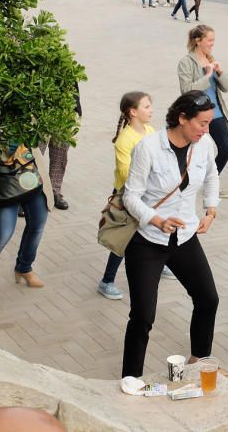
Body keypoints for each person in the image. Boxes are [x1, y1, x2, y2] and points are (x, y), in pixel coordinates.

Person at [120, 91, 221, 380]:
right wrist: (156, 219)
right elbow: (131, 197)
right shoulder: (148, 148)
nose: (206, 130)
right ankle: (131, 379)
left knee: (208, 298)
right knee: (143, 316)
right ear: (182, 119)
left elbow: (212, 175)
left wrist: (211, 210)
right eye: (201, 123)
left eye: (209, 123)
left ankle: (199, 360)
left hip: (185, 236)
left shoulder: (204, 145)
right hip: (147, 241)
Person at [0, 143, 51, 305]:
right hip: (4, 184)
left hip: (30, 177)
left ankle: (24, 268)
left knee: (37, 223)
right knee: (2, 234)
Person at [98, 91, 156, 300]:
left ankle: (164, 262)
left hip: (150, 192)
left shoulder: (150, 130)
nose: (151, 110)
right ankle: (107, 281)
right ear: (133, 112)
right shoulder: (125, 139)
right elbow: (124, 172)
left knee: (157, 229)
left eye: (150, 106)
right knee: (124, 237)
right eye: (146, 107)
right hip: (128, 195)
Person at [177, 25, 228, 198]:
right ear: (198, 41)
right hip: (196, 115)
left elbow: (226, 87)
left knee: (225, 150)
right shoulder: (186, 62)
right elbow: (186, 90)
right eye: (209, 40)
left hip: (215, 113)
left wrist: (219, 72)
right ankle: (182, 185)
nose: (212, 44)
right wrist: (207, 75)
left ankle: (211, 182)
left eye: (213, 40)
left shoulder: (211, 58)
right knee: (190, 152)